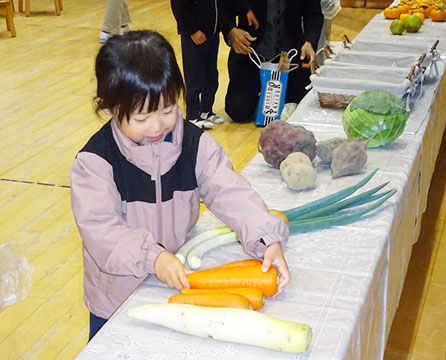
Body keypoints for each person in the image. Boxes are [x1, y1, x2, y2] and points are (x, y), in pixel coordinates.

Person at [70, 30, 290, 341]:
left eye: (168, 109)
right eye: (142, 117)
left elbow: (231, 192)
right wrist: (153, 258)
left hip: (178, 279)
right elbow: (102, 232)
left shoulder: (196, 145)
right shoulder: (95, 162)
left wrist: (266, 238)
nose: (157, 126)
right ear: (107, 107)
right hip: (117, 296)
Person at [221, 0, 324, 123]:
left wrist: (309, 42)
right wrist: (230, 30)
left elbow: (313, 13)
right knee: (238, 111)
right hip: (251, 57)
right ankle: (263, 97)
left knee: (304, 105)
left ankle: (270, 98)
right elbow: (223, 5)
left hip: (290, 60)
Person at [170, 0, 225, 130]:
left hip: (213, 32)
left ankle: (206, 110)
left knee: (211, 74)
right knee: (193, 75)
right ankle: (192, 115)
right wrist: (192, 30)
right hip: (194, 33)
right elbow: (179, 6)